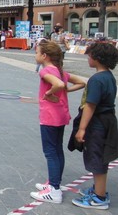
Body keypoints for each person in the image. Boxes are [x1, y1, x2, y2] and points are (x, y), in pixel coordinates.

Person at [29, 40, 85, 204]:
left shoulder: (46, 71)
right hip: (61, 115)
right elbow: (81, 82)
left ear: (44, 56)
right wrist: (65, 89)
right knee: (57, 150)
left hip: (50, 117)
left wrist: (50, 93)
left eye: (37, 52)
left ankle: (54, 190)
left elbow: (59, 84)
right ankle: (54, 183)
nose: (35, 55)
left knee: (50, 152)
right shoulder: (60, 70)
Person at [70, 43, 118, 209]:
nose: (87, 58)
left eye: (89, 55)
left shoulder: (97, 80)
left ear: (97, 59)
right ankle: (99, 190)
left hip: (97, 123)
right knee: (100, 158)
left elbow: (90, 105)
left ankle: (99, 197)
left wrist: (82, 129)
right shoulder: (109, 76)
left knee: (96, 158)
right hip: (108, 120)